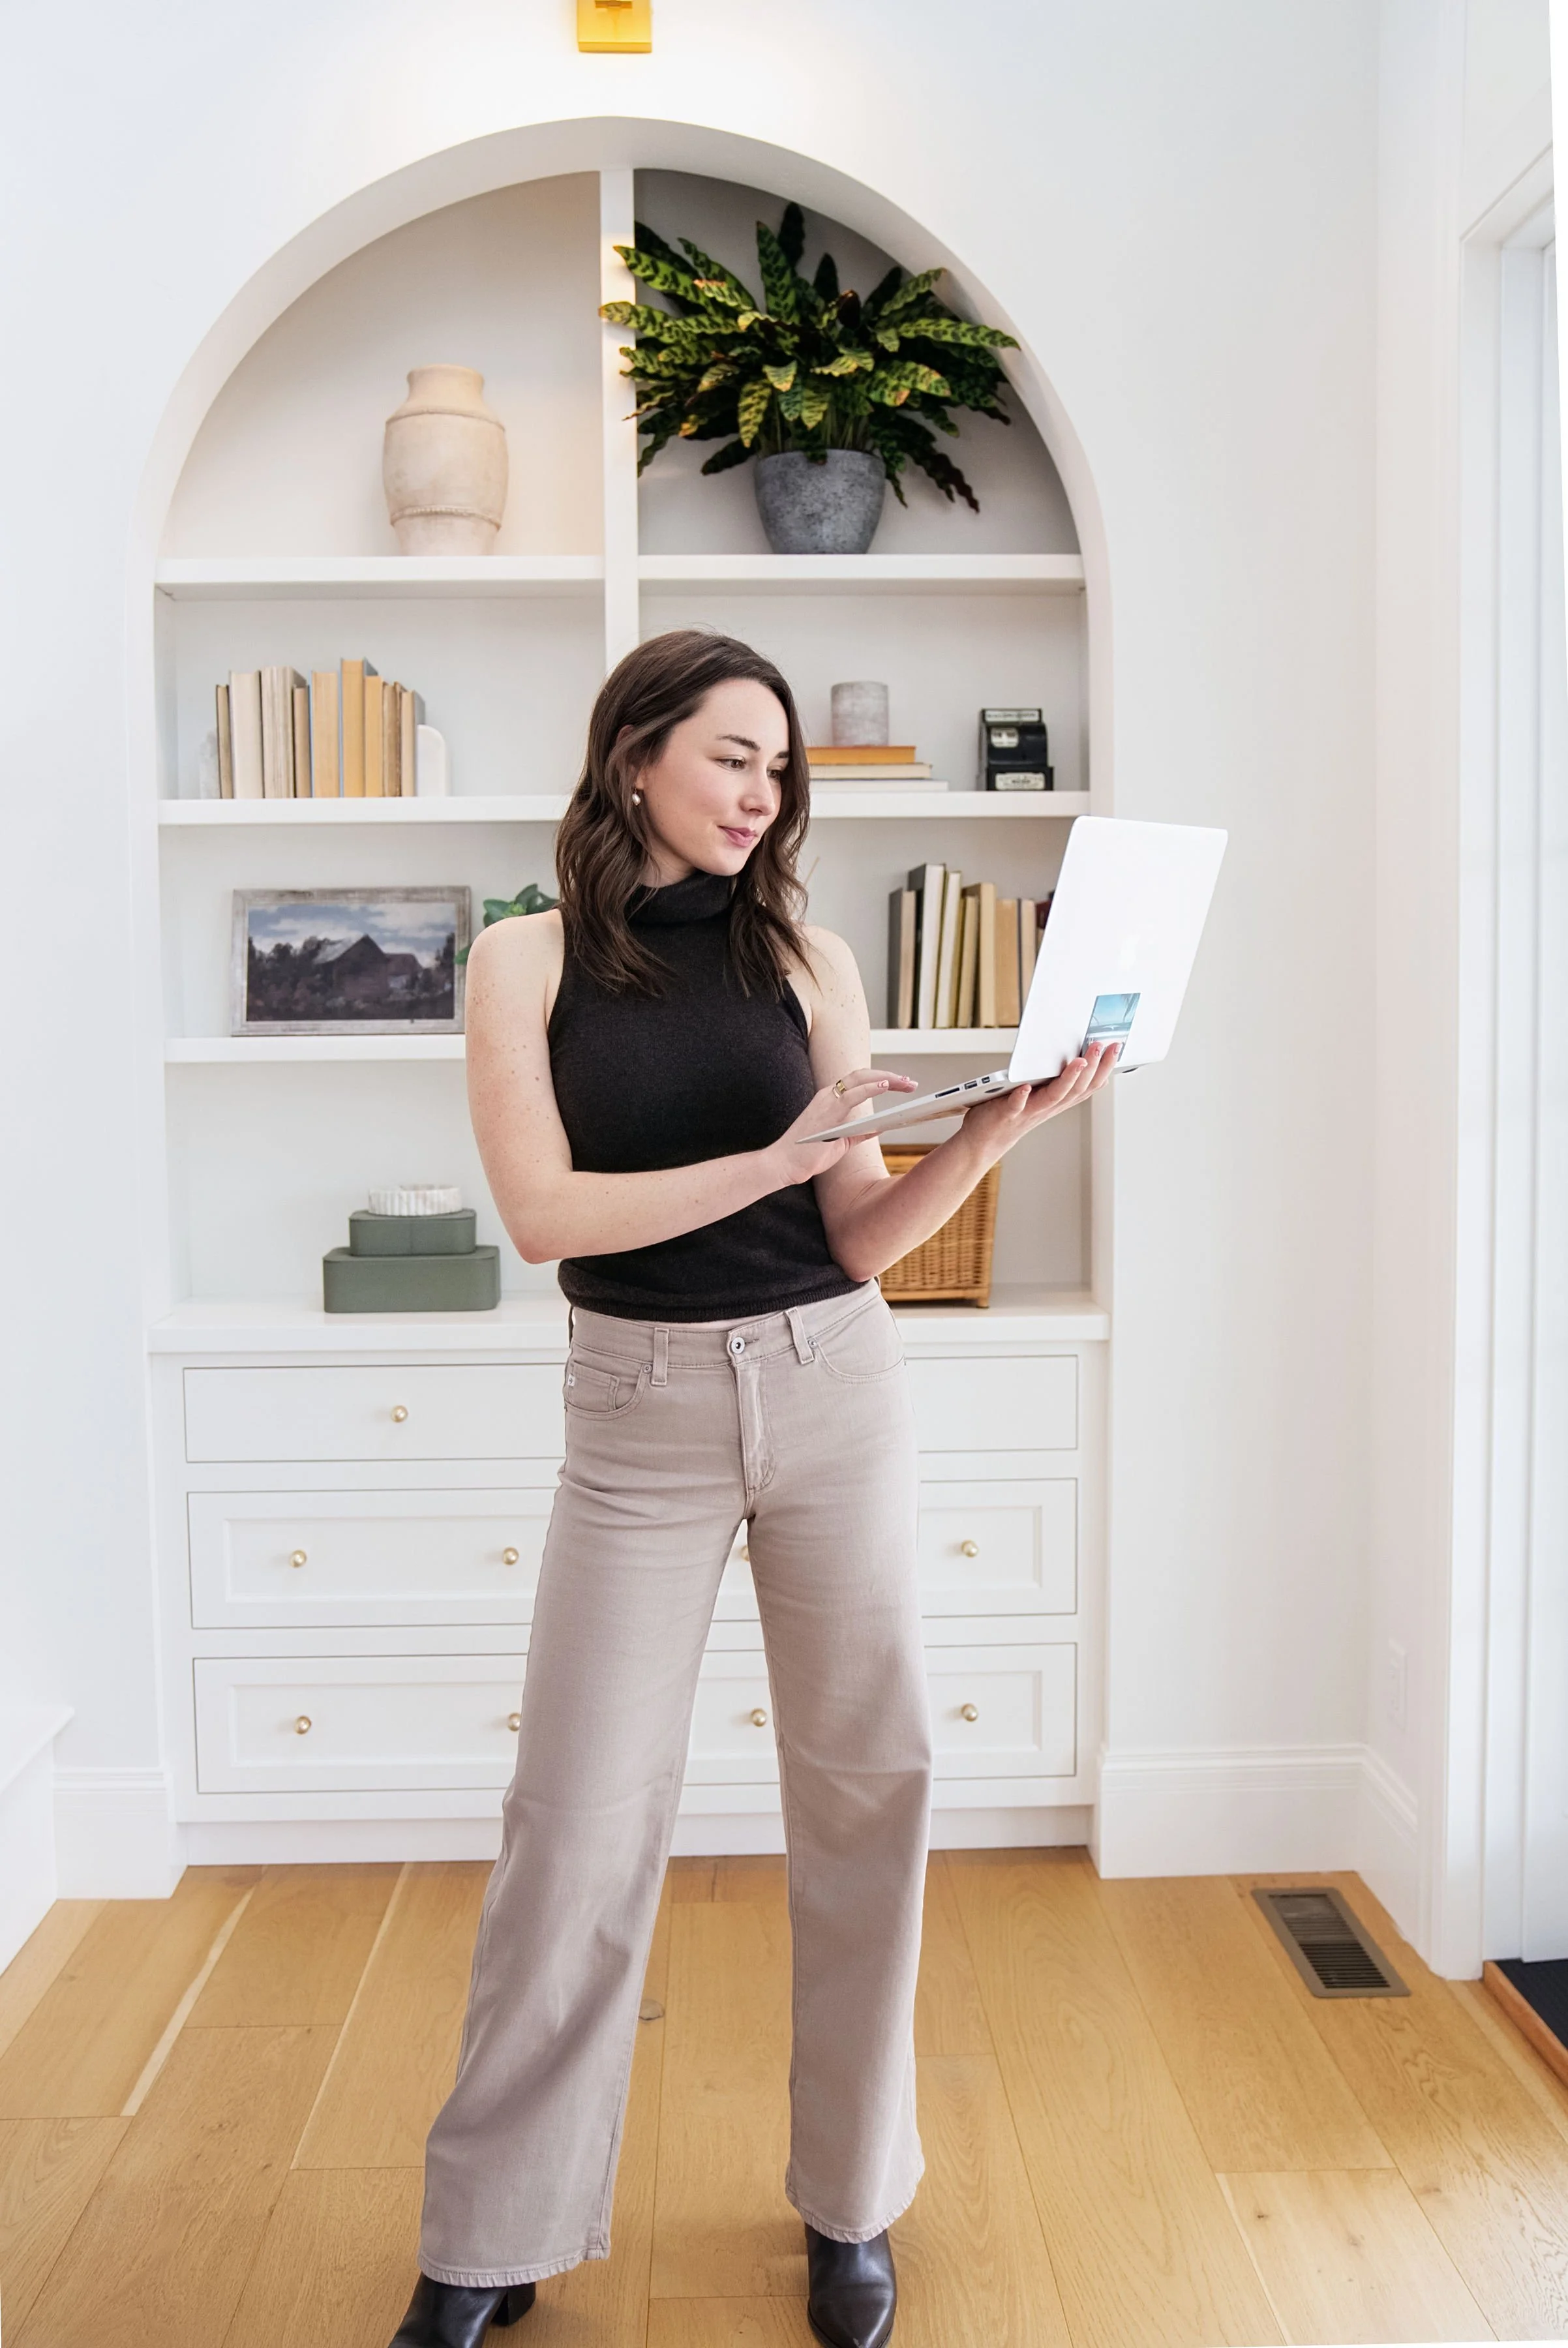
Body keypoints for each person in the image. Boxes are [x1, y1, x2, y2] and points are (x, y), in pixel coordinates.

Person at [389, 629, 1116, 2348]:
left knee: (873, 1792)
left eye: (776, 766)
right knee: (573, 1828)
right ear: (633, 752)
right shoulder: (520, 960)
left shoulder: (805, 953)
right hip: (632, 1416)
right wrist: (771, 1158)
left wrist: (992, 1132)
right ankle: (486, 2235)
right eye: (730, 755)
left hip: (827, 1385)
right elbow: (548, 1218)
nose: (757, 794)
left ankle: (852, 2202)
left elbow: (852, 1231)